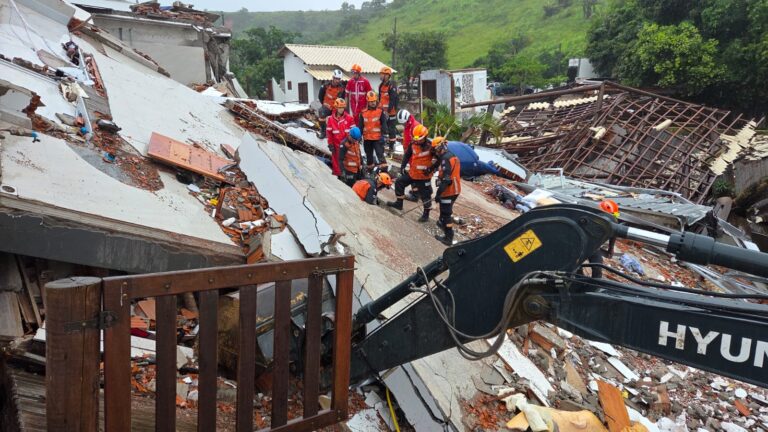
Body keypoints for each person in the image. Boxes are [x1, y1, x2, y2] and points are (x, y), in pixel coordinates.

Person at [387, 124, 436, 222]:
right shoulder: (413, 143)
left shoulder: (431, 146)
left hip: (424, 176)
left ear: (425, 137)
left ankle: (426, 215)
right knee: (399, 182)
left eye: (419, 139)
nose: (417, 141)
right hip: (413, 173)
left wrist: (431, 169)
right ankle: (399, 203)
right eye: (416, 139)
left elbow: (438, 160)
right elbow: (407, 155)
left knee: (425, 195)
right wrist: (403, 166)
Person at [431, 137, 461, 245]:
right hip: (455, 188)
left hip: (450, 190)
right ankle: (443, 224)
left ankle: (448, 237)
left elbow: (447, 179)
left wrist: (438, 194)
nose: (435, 151)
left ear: (440, 147)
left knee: (446, 213)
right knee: (445, 211)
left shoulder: (445, 159)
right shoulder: (450, 155)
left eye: (436, 149)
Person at [358, 90, 389, 173]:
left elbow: (384, 123)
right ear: (368, 102)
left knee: (380, 155)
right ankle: (370, 172)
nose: (373, 103)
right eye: (371, 101)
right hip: (367, 139)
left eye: (374, 101)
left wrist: (385, 134)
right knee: (369, 157)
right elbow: (360, 126)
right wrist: (359, 137)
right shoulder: (363, 113)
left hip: (377, 138)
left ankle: (384, 173)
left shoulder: (380, 111)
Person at [326, 98, 354, 177]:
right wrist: (330, 144)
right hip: (336, 145)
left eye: (342, 107)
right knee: (336, 162)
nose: (341, 109)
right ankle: (338, 177)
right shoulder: (330, 119)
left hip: (347, 145)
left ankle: (348, 177)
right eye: (339, 107)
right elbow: (329, 133)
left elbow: (353, 132)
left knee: (348, 162)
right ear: (336, 107)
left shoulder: (349, 118)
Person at [317, 69, 346, 139]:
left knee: (339, 120)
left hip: (336, 108)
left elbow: (342, 99)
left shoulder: (342, 89)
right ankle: (323, 132)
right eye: (336, 78)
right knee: (321, 112)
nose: (337, 81)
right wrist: (324, 104)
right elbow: (320, 96)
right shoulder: (325, 86)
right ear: (333, 77)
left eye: (339, 79)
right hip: (326, 107)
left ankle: (338, 134)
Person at [378, 67, 398, 153]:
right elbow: (379, 99)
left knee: (391, 129)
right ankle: (382, 146)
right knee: (382, 129)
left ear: (387, 76)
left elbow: (393, 100)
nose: (380, 76)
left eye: (382, 74)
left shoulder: (392, 86)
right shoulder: (380, 86)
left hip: (391, 112)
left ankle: (391, 147)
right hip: (382, 112)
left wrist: (388, 111)